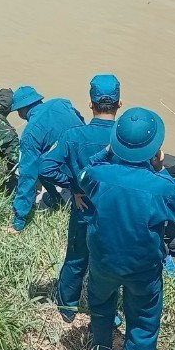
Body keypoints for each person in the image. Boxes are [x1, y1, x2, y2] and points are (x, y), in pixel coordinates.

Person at [82, 107, 175, 350]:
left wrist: (105, 152)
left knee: (102, 309)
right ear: (156, 150)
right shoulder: (162, 187)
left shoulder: (98, 174)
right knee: (142, 324)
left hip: (102, 263)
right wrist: (160, 170)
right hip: (142, 269)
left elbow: (82, 174)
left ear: (116, 143)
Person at [42, 73, 122, 321]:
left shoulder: (73, 136)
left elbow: (45, 167)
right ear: (120, 104)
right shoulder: (126, 139)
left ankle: (67, 309)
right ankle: (107, 313)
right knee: (109, 262)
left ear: (90, 104)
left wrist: (74, 187)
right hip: (116, 214)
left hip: (84, 207)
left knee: (76, 258)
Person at [9, 85, 83, 231]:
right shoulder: (61, 102)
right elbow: (80, 120)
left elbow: (27, 176)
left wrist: (18, 219)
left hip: (73, 174)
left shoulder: (29, 133)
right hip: (87, 155)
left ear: (22, 110)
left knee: (39, 165)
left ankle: (57, 199)